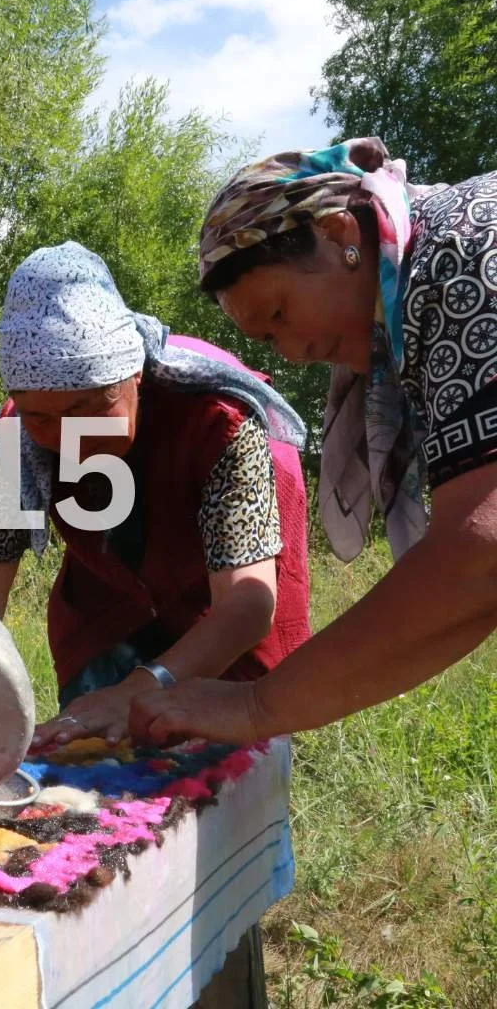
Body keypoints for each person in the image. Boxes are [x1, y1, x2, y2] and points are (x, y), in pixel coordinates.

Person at [128, 139, 497, 748]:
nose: (294, 350)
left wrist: (256, 706)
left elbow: (478, 557)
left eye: (280, 313)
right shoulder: (419, 287)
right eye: (269, 342)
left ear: (336, 232)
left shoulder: (460, 256)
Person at [0, 241, 311, 748]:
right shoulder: (16, 436)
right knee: (95, 791)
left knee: (224, 798)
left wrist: (139, 692)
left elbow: (246, 605)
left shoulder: (219, 420)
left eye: (87, 409)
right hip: (108, 620)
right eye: (42, 417)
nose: (67, 436)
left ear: (133, 374)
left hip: (225, 628)